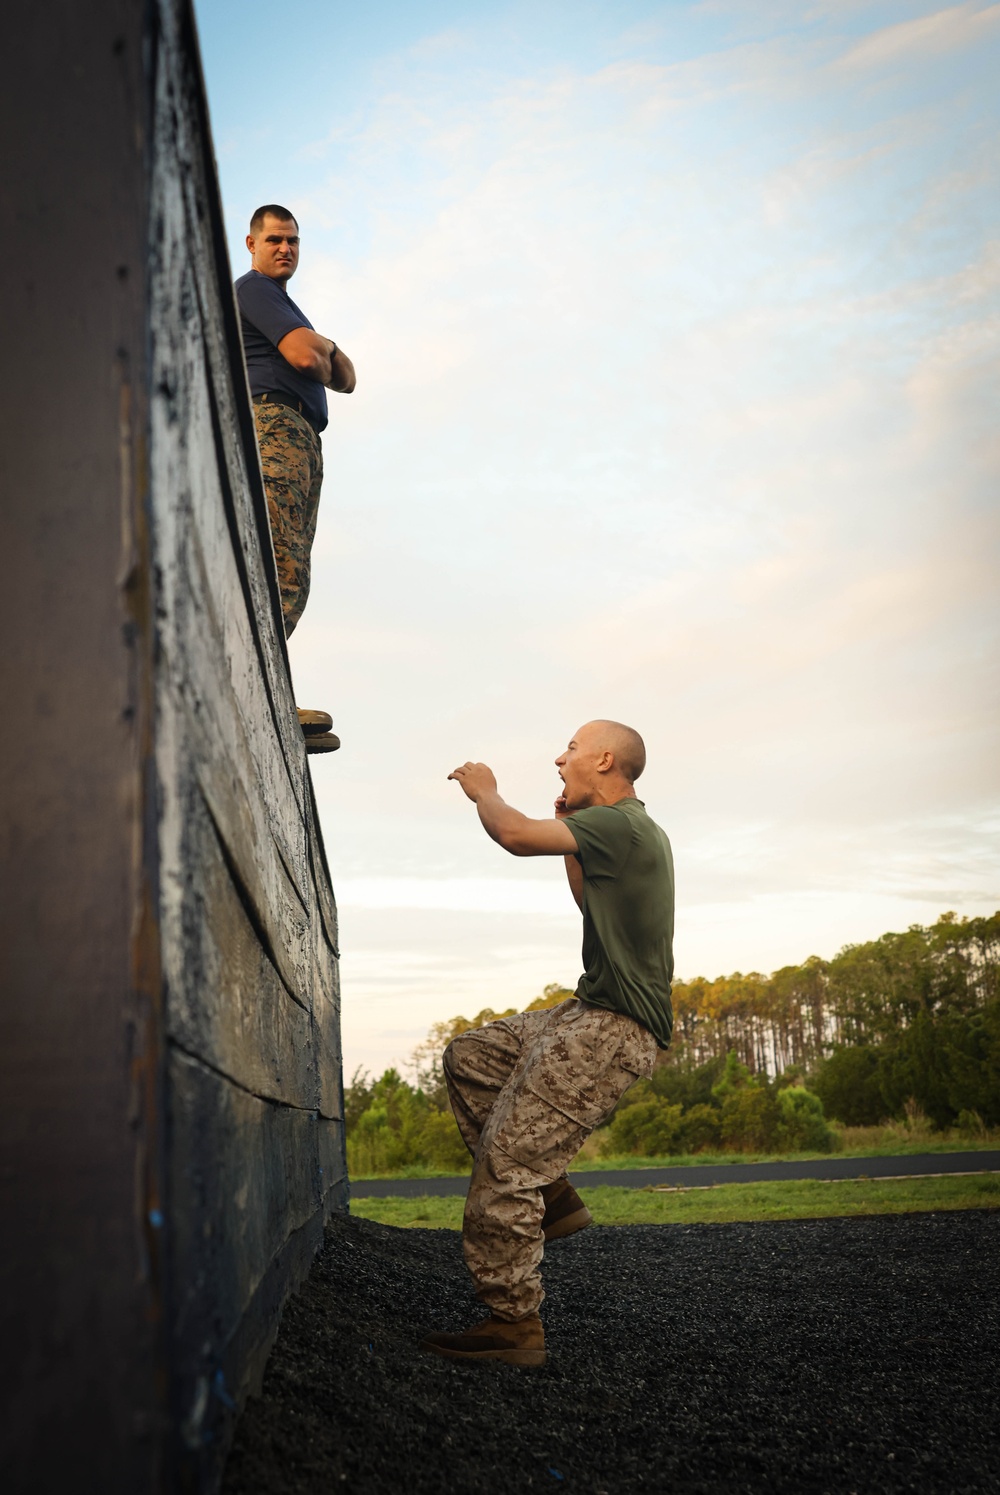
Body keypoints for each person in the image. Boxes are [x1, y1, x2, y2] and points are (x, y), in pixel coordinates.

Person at [421, 719, 675, 1367]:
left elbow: (512, 833)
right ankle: (553, 1195)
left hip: (610, 1028)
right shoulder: (615, 833)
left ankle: (514, 1323)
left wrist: (486, 791)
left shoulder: (624, 825)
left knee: (506, 1164)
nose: (560, 758)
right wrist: (569, 837)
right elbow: (588, 899)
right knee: (471, 1057)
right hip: (586, 1010)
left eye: (571, 748)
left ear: (606, 759)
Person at [235, 204, 356, 752]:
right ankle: (251, 683)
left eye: (294, 242)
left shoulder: (284, 303)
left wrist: (320, 347)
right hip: (274, 424)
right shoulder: (256, 290)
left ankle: (267, 686)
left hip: (302, 435)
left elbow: (348, 379)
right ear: (252, 244)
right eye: (276, 239)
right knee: (278, 563)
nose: (286, 249)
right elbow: (310, 363)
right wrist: (321, 346)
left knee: (293, 571)